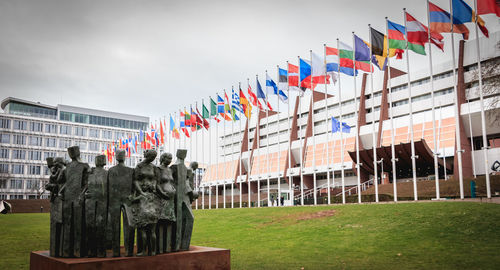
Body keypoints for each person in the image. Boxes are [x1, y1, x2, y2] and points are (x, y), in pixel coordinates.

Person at [59, 146, 90, 258]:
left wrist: (81, 195)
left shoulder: (84, 166)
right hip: (68, 197)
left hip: (78, 197)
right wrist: (61, 192)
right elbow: (67, 182)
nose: (71, 154)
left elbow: (87, 183)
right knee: (67, 224)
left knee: (78, 224)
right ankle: (66, 251)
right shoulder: (67, 168)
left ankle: (78, 251)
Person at [131, 149, 161, 256]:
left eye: (153, 158)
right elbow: (135, 181)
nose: (152, 159)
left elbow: (156, 181)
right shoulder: (139, 166)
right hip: (144, 197)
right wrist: (141, 192)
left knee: (150, 229)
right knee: (143, 229)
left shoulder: (154, 167)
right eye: (151, 157)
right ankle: (144, 251)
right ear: (146, 155)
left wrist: (153, 188)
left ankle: (151, 251)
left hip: (151, 197)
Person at [108, 150, 135, 257]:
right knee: (116, 225)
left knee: (129, 225)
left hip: (126, 201)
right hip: (117, 201)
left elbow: (133, 186)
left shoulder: (130, 171)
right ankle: (117, 251)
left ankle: (127, 251)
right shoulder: (111, 171)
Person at [85, 155, 107, 258]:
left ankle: (101, 251)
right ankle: (91, 250)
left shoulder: (107, 174)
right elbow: (86, 187)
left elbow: (107, 190)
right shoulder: (90, 173)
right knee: (90, 226)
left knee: (100, 226)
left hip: (101, 202)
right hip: (90, 202)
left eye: (100, 159)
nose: (98, 161)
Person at [156, 153, 176, 253]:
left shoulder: (170, 170)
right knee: (161, 222)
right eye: (168, 158)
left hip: (171, 199)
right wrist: (163, 193)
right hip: (162, 198)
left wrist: (173, 189)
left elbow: (171, 183)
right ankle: (160, 248)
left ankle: (167, 247)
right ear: (163, 158)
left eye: (171, 158)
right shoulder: (158, 169)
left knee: (169, 222)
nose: (170, 160)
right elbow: (157, 184)